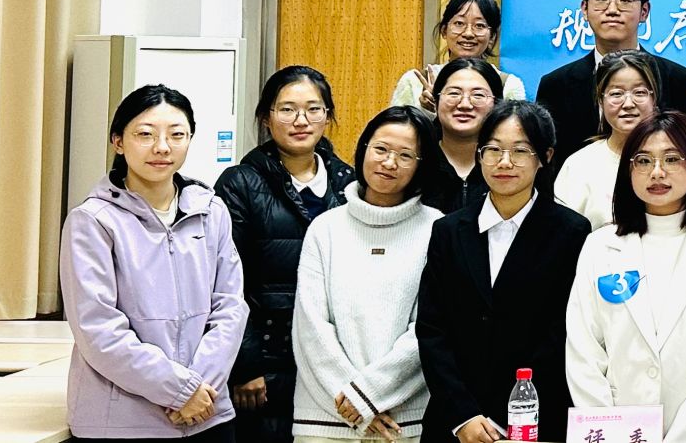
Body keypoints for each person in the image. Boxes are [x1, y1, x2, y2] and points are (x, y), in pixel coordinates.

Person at [62, 84, 249, 441]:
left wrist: (198, 389)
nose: (162, 147)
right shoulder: (94, 220)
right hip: (123, 422)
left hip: (208, 413)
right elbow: (98, 328)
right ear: (118, 141)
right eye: (145, 134)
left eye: (177, 135)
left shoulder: (211, 211)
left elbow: (230, 307)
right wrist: (179, 391)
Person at [566, 112, 686, 443]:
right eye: (643, 161)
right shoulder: (599, 246)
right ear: (628, 170)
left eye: (671, 159)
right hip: (618, 432)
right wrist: (612, 432)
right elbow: (583, 352)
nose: (656, 172)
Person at [418, 101, 589, 443]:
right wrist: (463, 415)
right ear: (479, 155)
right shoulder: (449, 230)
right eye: (493, 150)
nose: (504, 162)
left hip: (534, 419)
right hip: (454, 422)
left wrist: (506, 414)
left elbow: (563, 332)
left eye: (520, 151)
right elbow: (432, 329)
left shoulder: (571, 232)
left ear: (545, 156)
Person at [216, 67, 356, 443]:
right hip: (267, 358)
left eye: (313, 109)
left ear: (328, 115)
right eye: (287, 109)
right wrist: (245, 364)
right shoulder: (240, 183)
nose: (301, 120)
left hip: (333, 357)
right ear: (267, 117)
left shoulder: (349, 184)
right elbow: (227, 282)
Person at [292, 106, 442, 443]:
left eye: (405, 155)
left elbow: (428, 329)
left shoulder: (437, 229)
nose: (389, 163)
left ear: (421, 164)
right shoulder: (325, 228)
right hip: (325, 418)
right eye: (381, 149)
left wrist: (369, 396)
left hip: (404, 422)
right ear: (363, 150)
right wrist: (354, 401)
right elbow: (311, 327)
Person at [537, 0, 686, 179]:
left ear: (644, 11)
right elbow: (544, 165)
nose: (612, 10)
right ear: (584, 9)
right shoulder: (555, 86)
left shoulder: (678, 80)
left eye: (625, 0)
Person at [554, 50, 661, 229]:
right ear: (600, 100)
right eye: (616, 93)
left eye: (639, 92)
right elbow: (563, 235)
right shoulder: (579, 165)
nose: (628, 104)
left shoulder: (676, 159)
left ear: (654, 98)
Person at [392, 0, 525, 111]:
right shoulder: (414, 82)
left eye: (479, 26)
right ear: (444, 31)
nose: (468, 33)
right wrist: (424, 112)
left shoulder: (508, 86)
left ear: (492, 37)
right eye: (459, 23)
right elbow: (395, 129)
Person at [416, 58, 503, 215]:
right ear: (435, 101)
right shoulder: (416, 160)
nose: (464, 105)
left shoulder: (508, 164)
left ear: (496, 104)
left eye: (478, 95)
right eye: (454, 93)